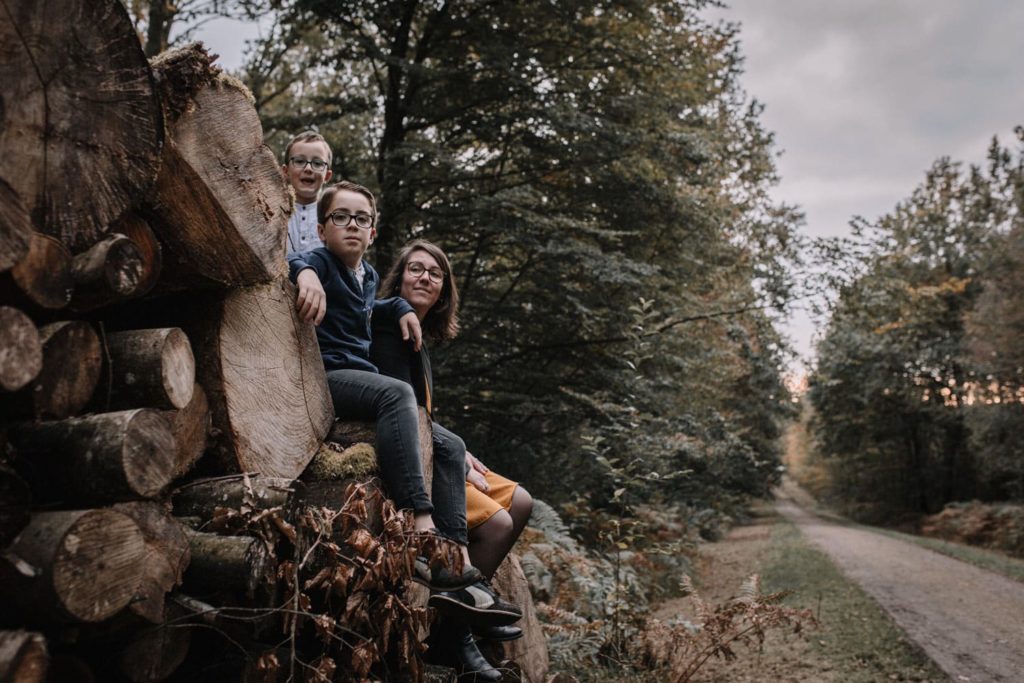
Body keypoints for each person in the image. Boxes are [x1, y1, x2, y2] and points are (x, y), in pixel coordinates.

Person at [287, 181, 521, 630]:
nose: (352, 225)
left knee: (445, 441)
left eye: (362, 219)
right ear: (321, 229)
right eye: (341, 217)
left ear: (373, 233)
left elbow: (376, 301)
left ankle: (451, 560)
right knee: (399, 393)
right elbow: (290, 259)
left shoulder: (368, 276)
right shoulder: (320, 262)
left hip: (359, 379)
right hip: (325, 380)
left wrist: (399, 308)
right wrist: (306, 273)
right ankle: (421, 520)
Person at [372, 239, 534, 681]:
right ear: (399, 276)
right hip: (411, 459)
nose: (424, 277)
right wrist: (455, 450)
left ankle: (462, 605)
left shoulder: (419, 339)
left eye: (434, 273)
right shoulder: (389, 327)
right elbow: (401, 411)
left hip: (436, 448)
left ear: (444, 291)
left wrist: (460, 450)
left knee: (520, 501)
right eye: (415, 269)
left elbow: (424, 416)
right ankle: (456, 628)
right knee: (499, 522)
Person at [282, 131, 332, 256]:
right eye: (299, 161)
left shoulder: (334, 218)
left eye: (317, 163)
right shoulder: (271, 213)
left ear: (327, 176)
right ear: (285, 171)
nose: (308, 169)